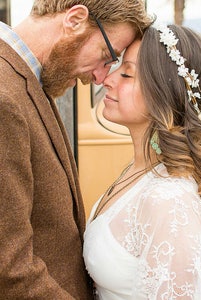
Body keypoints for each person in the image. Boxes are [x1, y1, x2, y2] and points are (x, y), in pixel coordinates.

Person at [0, 0, 152, 298]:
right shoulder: (4, 97)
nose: (99, 77)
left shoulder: (23, 79)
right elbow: (10, 269)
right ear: (75, 19)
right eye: (107, 56)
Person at [83, 24, 201, 300]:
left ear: (164, 93)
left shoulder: (170, 199)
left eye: (127, 73)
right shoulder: (140, 170)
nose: (108, 80)